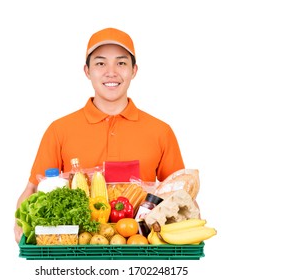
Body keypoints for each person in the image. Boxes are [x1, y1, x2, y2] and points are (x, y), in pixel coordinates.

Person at [14, 27, 185, 243]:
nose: (111, 72)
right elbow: (32, 189)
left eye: (121, 63)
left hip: (142, 247)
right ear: (87, 71)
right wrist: (21, 223)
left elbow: (179, 193)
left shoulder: (160, 131)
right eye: (100, 63)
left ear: (134, 71)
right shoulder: (59, 130)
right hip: (75, 250)